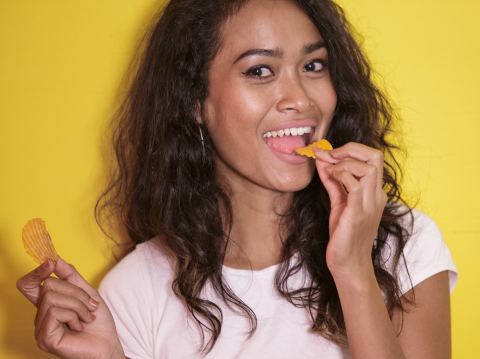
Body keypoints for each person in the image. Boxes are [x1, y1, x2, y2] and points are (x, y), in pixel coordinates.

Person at [16, 0, 458, 358]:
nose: (301, 100)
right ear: (194, 101)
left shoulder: (403, 246)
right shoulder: (136, 291)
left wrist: (354, 271)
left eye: (314, 66)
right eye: (260, 71)